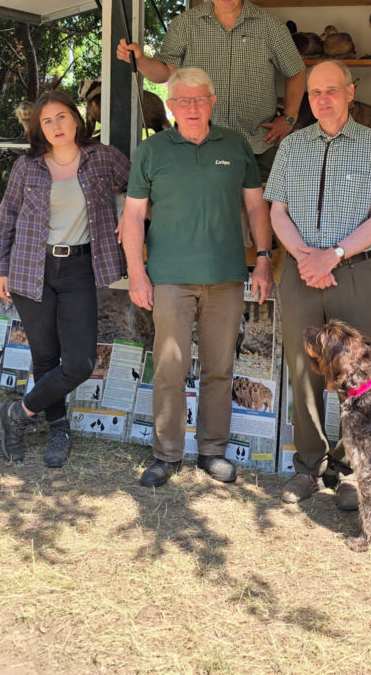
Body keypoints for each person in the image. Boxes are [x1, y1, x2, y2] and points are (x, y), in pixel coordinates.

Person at [120, 67, 273, 487]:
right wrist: (137, 273)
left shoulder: (235, 146)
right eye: (182, 100)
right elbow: (132, 216)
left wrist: (263, 258)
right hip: (169, 277)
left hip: (225, 276)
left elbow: (258, 207)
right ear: (169, 106)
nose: (191, 107)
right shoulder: (152, 152)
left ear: (213, 101)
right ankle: (166, 454)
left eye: (199, 99)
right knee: (169, 367)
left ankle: (212, 451)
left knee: (219, 367)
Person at [263, 59, 371, 508]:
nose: (322, 99)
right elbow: (277, 212)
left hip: (353, 270)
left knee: (355, 376)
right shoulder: (292, 147)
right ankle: (309, 467)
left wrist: (334, 255)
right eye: (314, 93)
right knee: (303, 371)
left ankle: (349, 470)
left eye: (331, 90)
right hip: (302, 272)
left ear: (350, 91)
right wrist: (307, 257)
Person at [0, 90, 131, 467]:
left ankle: (17, 414)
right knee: (44, 356)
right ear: (38, 128)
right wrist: (0, 266)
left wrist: (131, 225)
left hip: (79, 269)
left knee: (80, 362)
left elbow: (139, 187)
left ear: (77, 119)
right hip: (30, 266)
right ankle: (58, 428)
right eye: (47, 121)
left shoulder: (102, 158)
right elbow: (6, 218)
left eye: (62, 117)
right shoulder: (28, 166)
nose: (55, 126)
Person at [116, 0, 306, 178]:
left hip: (256, 147)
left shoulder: (270, 26)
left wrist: (289, 119)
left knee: (258, 211)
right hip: (198, 147)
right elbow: (166, 72)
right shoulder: (184, 25)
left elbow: (296, 71)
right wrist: (140, 61)